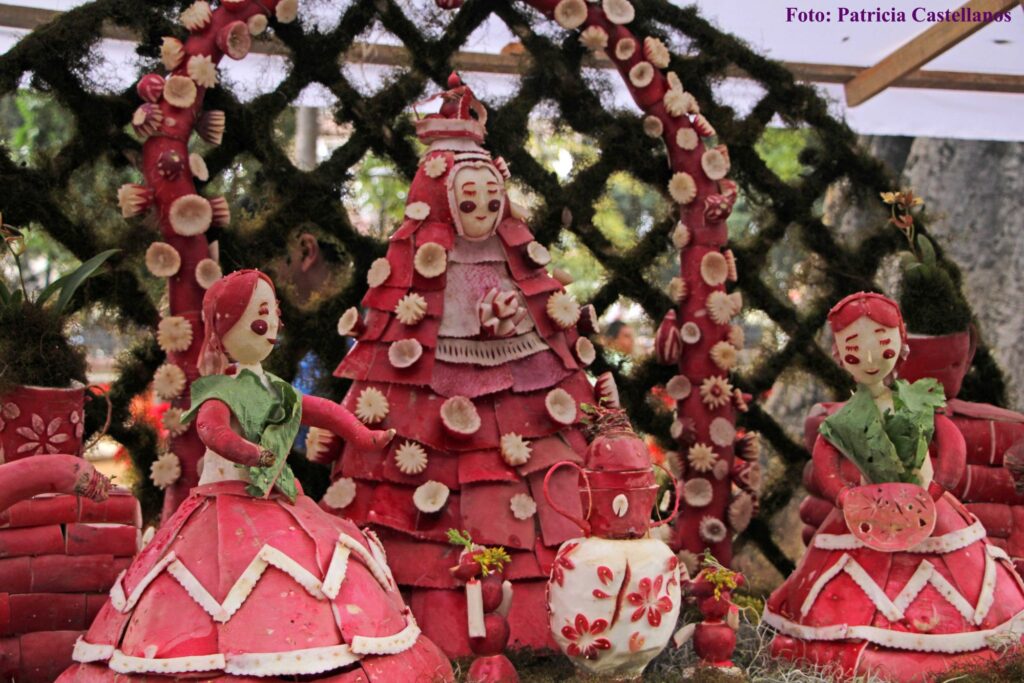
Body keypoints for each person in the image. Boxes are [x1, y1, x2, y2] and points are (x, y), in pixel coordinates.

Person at [318, 74, 598, 657]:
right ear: (441, 200)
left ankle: (541, 619)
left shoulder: (516, 267)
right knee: (423, 487)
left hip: (523, 386)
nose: (482, 213)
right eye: (468, 202)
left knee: (536, 475)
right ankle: (430, 621)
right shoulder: (416, 279)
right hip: (433, 393)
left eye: (493, 201)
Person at [60, 270, 452, 681]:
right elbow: (212, 430)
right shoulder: (221, 390)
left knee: (305, 571)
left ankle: (299, 643)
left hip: (277, 497)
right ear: (226, 327)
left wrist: (363, 435)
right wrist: (248, 452)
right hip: (224, 501)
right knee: (219, 578)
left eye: (271, 313)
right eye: (256, 315)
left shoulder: (274, 389)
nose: (269, 325)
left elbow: (320, 410)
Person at [763, 292, 1024, 681]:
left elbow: (950, 441)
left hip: (930, 511)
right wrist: (843, 495)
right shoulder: (844, 418)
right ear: (839, 354)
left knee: (962, 584)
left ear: (901, 345)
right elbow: (826, 460)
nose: (870, 357)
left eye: (881, 343)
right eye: (855, 348)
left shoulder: (916, 400)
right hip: (865, 514)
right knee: (846, 584)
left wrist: (937, 489)